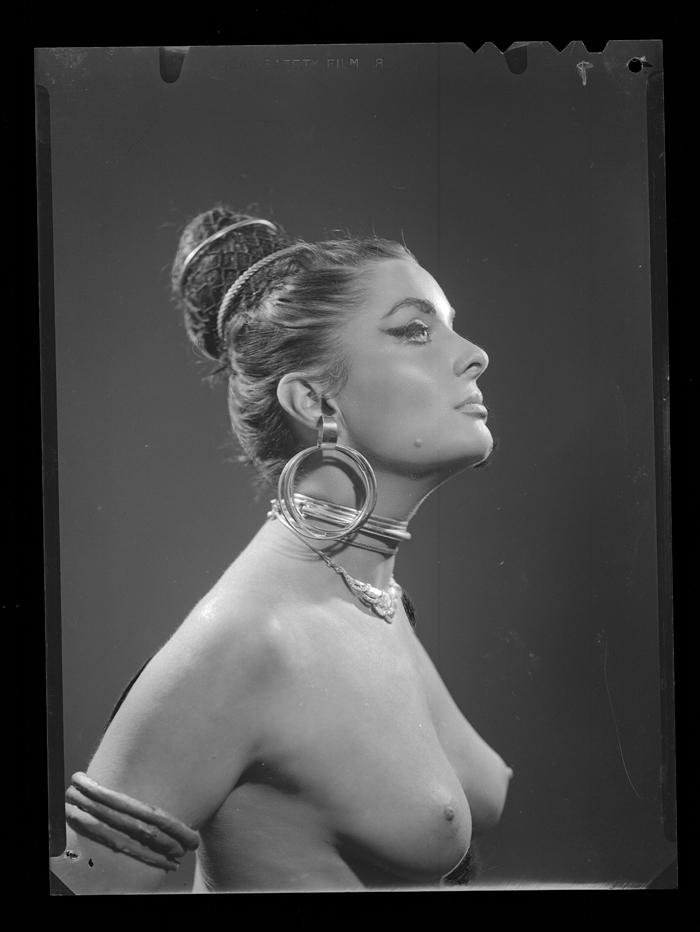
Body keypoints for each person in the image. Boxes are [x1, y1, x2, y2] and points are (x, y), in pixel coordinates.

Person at [50, 207, 513, 894]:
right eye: (416, 330)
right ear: (314, 401)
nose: (475, 354)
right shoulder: (247, 643)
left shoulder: (378, 599)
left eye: (448, 324)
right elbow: (81, 885)